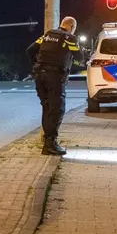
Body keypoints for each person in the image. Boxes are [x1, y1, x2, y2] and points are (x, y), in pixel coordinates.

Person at [26, 16, 84, 156]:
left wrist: (38, 64)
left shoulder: (47, 35)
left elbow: (30, 51)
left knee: (47, 108)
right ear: (72, 27)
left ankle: (47, 142)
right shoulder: (69, 38)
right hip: (54, 78)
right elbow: (80, 58)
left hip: (39, 76)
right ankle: (50, 144)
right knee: (57, 109)